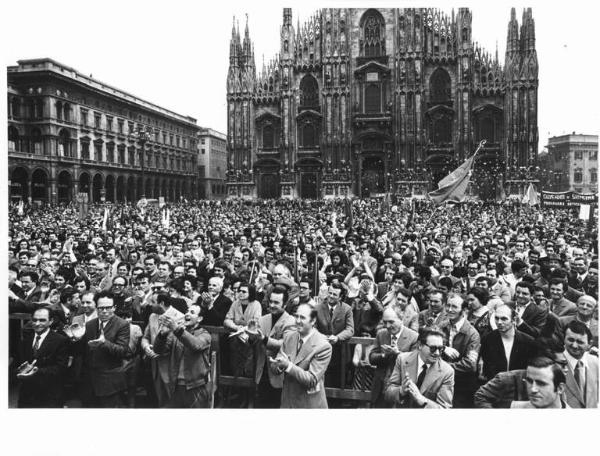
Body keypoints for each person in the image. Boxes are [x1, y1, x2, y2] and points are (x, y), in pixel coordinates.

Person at [271, 303, 332, 408]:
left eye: (302, 317)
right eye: (296, 316)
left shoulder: (323, 345)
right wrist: (278, 365)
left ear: (313, 321)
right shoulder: (289, 337)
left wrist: (288, 366)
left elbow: (311, 380)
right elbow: (276, 366)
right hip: (287, 402)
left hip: (309, 404)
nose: (298, 321)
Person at [76, 291, 131, 407]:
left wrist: (104, 343)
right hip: (89, 380)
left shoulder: (122, 325)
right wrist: (75, 339)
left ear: (114, 308)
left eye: (108, 308)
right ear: (96, 307)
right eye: (101, 308)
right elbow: (83, 350)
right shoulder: (90, 324)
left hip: (109, 381)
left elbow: (122, 351)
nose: (105, 311)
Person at [152, 304, 212, 408]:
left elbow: (196, 345)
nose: (187, 314)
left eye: (192, 312)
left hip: (196, 386)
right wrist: (162, 334)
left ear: (199, 319)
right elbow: (158, 350)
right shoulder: (176, 333)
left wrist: (176, 328)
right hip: (176, 385)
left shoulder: (205, 334)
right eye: (187, 311)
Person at [384, 327, 454, 408]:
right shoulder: (402, 359)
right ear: (420, 345)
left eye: (441, 349)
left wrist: (422, 400)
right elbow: (388, 393)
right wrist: (401, 391)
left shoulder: (447, 371)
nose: (437, 353)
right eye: (433, 348)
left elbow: (445, 408)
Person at [252, 285, 296, 408]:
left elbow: (285, 344)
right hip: (262, 374)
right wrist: (250, 337)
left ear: (285, 304)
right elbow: (255, 342)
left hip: (280, 376)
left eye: (276, 302)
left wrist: (265, 339)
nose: (272, 305)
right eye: (271, 301)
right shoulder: (263, 319)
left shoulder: (291, 321)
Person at [16, 307, 69, 407]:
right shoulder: (25, 339)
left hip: (49, 395)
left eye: (42, 320)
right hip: (26, 394)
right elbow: (18, 363)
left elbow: (61, 368)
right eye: (35, 320)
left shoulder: (60, 340)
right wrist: (19, 370)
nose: (37, 323)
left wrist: (37, 371)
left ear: (51, 321)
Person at [369, 306, 418, 407]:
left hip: (401, 388)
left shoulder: (413, 337)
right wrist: (384, 355)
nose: (387, 325)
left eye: (391, 322)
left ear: (401, 319)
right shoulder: (381, 334)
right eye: (385, 322)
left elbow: (414, 362)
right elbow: (372, 358)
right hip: (380, 386)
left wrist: (398, 354)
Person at [439, 294, 480, 408]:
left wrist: (445, 367)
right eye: (448, 305)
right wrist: (443, 348)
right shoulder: (442, 326)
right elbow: (429, 342)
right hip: (442, 380)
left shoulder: (472, 334)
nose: (450, 310)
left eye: (454, 307)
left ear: (464, 310)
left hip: (462, 384)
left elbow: (470, 364)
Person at [479, 305, 536, 382]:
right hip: (495, 387)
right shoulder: (488, 339)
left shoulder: (528, 341)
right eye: (496, 318)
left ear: (514, 320)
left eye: (504, 319)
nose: (499, 322)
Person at [314, 282, 354, 389]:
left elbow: (350, 329)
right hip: (321, 351)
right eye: (330, 293)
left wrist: (337, 337)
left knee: (338, 382)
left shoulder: (347, 309)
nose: (331, 296)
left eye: (334, 294)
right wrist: (321, 337)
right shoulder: (318, 308)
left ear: (340, 297)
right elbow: (313, 327)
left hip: (340, 352)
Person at [562, 320, 598, 408]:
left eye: (580, 342)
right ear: (563, 339)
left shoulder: (595, 362)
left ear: (589, 344)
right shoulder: (554, 364)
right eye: (570, 340)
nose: (574, 345)